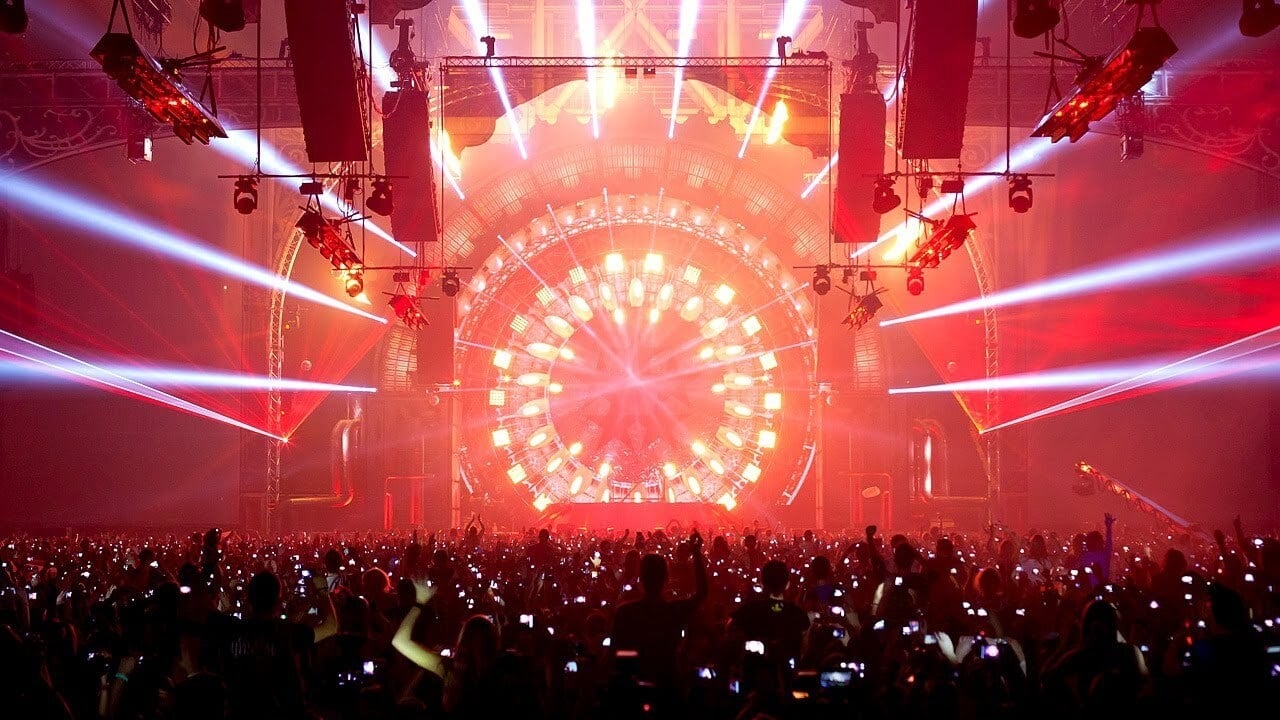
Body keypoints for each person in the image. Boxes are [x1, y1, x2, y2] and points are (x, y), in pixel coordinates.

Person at [611, 531, 708, 694]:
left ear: (641, 577)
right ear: (666, 578)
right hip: (668, 681)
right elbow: (702, 593)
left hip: (634, 683)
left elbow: (616, 651)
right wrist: (697, 553)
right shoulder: (674, 611)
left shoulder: (625, 612)